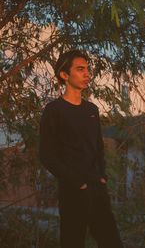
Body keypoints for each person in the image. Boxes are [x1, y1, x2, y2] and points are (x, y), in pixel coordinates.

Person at [39, 49, 124, 248]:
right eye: (80, 69)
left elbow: (98, 149)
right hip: (72, 191)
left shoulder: (92, 110)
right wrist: (76, 181)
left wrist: (101, 177)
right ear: (64, 75)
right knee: (72, 243)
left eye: (87, 69)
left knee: (112, 242)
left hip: (97, 189)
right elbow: (47, 156)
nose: (87, 74)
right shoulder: (54, 111)